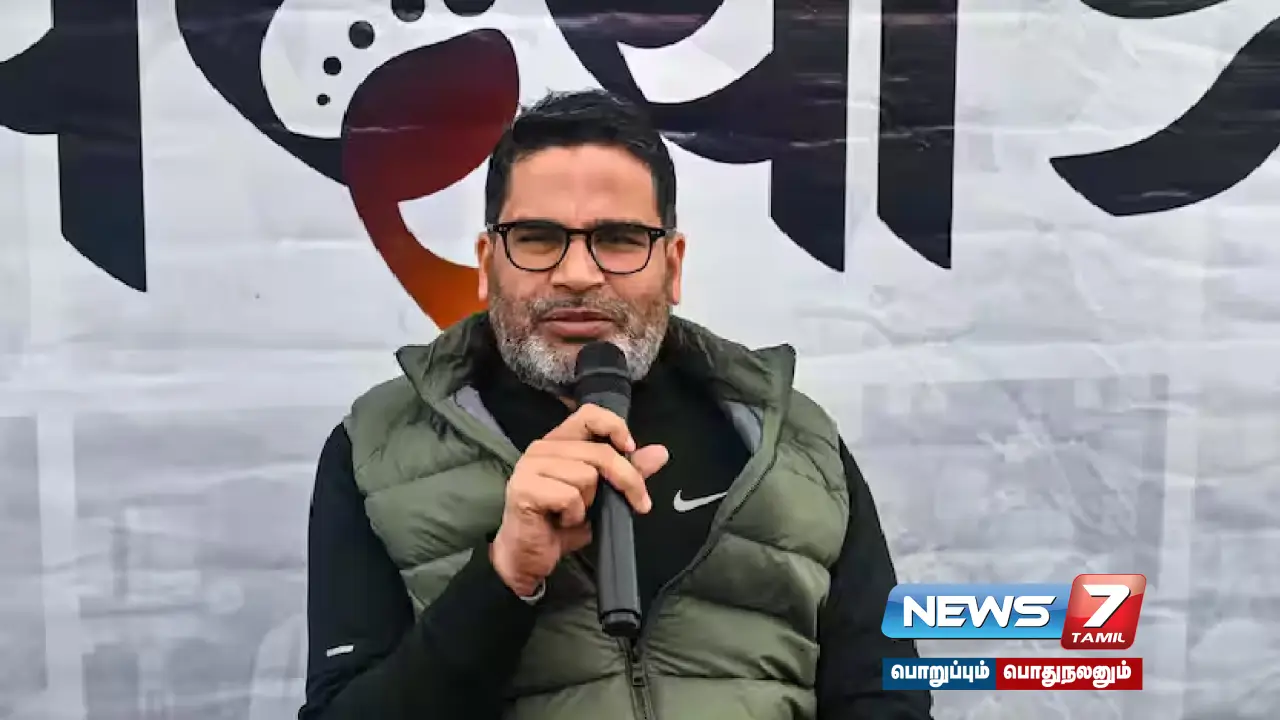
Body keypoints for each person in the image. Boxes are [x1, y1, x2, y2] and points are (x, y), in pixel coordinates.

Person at [298, 88, 933, 720]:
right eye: (538, 237)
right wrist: (503, 576)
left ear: (672, 265)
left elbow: (888, 702)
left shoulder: (794, 441)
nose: (578, 274)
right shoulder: (376, 450)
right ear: (487, 265)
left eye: (620, 238)